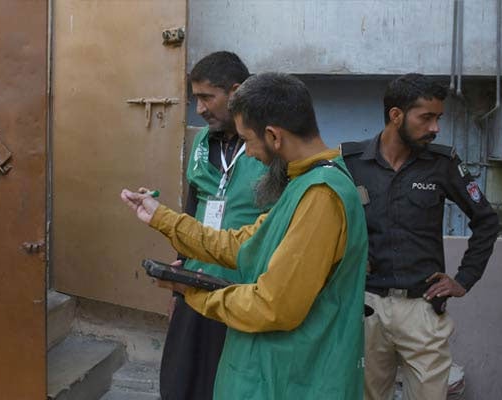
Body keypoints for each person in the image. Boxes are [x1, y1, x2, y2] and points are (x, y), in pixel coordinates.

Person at [121, 73, 369, 399]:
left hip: (294, 381)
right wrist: (161, 217)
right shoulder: (303, 184)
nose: (249, 154)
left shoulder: (321, 196)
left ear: (273, 136)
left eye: (248, 141)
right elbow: (241, 244)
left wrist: (194, 294)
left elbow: (273, 306)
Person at [341, 74, 500, 400]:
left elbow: (486, 221)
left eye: (438, 118)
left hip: (423, 309)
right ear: (396, 115)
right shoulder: (350, 163)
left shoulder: (442, 164)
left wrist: (464, 279)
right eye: (426, 117)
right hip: (365, 306)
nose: (435, 128)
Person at [160, 51, 281, 400]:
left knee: (227, 381)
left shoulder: (271, 147)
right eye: (195, 97)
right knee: (181, 380)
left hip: (242, 289)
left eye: (206, 97)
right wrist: (176, 283)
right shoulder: (202, 142)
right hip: (195, 282)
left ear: (236, 92)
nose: (199, 108)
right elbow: (192, 207)